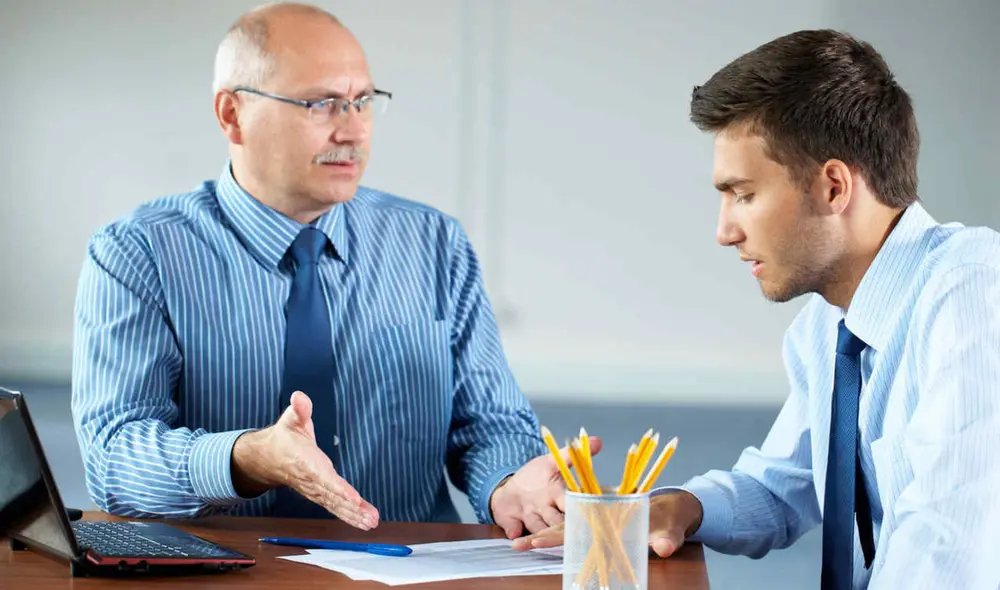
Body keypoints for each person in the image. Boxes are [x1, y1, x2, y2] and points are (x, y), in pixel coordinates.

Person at [70, 2, 598, 538]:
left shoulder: (434, 243)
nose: (352, 131)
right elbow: (114, 458)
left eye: (362, 102)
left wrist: (511, 482)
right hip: (227, 572)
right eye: (321, 104)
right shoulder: (136, 252)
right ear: (232, 114)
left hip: (412, 566)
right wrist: (245, 458)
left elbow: (490, 423)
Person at [514, 29, 1000, 589]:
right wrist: (680, 506)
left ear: (834, 187)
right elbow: (781, 487)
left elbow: (945, 548)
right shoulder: (827, 328)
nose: (724, 232)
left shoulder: (973, 293)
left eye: (743, 194)